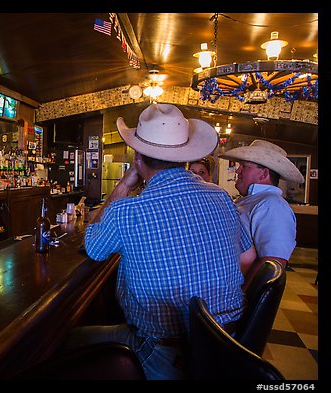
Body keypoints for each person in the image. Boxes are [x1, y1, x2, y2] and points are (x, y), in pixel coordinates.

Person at [64, 103, 253, 380]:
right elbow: (247, 255)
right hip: (226, 346)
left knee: (69, 341)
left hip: (165, 354)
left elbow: (93, 247)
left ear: (137, 158)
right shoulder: (221, 197)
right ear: (185, 157)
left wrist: (124, 185)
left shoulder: (127, 210)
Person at [219, 139, 304, 286]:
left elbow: (273, 263)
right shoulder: (256, 201)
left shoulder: (272, 205)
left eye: (244, 166)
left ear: (263, 173)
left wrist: (245, 299)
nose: (238, 171)